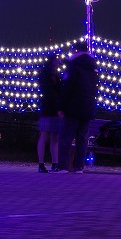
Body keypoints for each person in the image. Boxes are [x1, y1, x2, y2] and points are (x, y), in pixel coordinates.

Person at [59, 40, 100, 174]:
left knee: (66, 136)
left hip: (73, 106)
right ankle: (79, 166)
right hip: (87, 107)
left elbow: (67, 88)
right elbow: (94, 88)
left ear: (76, 50)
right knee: (82, 138)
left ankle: (63, 166)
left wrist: (62, 106)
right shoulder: (93, 67)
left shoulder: (73, 66)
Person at [35, 54, 61, 173]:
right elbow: (49, 91)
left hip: (55, 109)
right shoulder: (46, 75)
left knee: (54, 137)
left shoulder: (57, 76)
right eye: (57, 61)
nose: (59, 62)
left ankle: (54, 163)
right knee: (45, 135)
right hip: (48, 108)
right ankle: (41, 163)